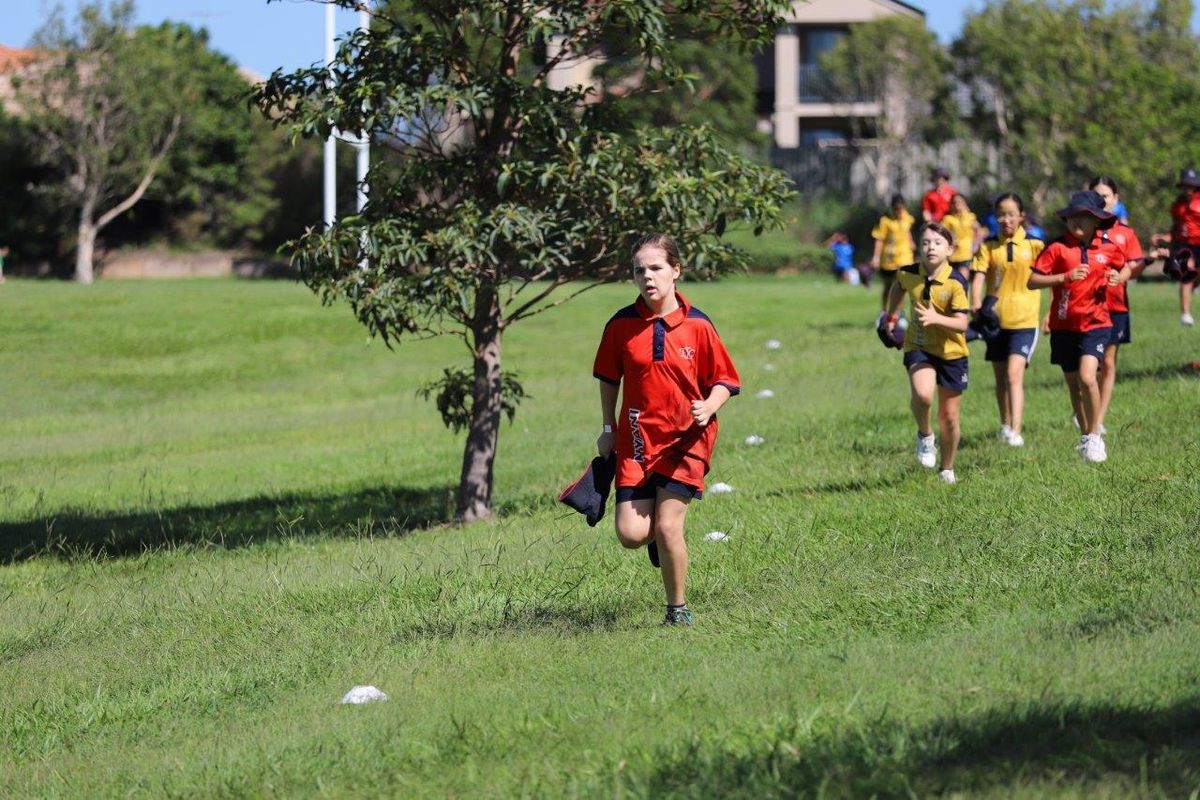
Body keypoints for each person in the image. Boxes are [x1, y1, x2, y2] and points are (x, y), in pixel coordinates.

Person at [592, 233, 741, 626]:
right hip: (638, 441)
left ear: (676, 270)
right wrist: (608, 427)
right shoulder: (621, 325)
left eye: (656, 268)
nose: (647, 276)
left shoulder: (698, 325)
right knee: (630, 534)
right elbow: (608, 378)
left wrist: (709, 406)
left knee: (668, 524)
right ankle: (658, 539)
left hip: (687, 440)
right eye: (639, 270)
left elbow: (725, 380)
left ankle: (677, 610)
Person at [1027, 190, 1125, 463]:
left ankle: (1095, 435)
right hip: (1063, 326)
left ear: (1097, 221)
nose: (1076, 221)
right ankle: (1085, 436)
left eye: (1084, 216)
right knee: (1074, 385)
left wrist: (1118, 276)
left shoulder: (1108, 248)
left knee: (1087, 377)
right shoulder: (1057, 248)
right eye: (1072, 216)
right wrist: (1064, 277)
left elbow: (1122, 267)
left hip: (1096, 323)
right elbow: (1032, 281)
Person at [881, 222, 970, 484]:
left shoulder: (956, 282)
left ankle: (947, 468)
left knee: (949, 417)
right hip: (919, 346)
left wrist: (935, 318)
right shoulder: (908, 273)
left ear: (950, 249)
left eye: (938, 243)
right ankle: (925, 435)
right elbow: (898, 286)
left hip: (952, 353)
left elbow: (962, 324)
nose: (931, 247)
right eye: (926, 242)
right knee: (922, 395)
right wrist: (891, 316)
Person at [970, 193, 1045, 446]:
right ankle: (1005, 425)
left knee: (1014, 375)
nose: (1006, 219)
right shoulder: (989, 246)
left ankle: (1016, 430)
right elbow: (979, 276)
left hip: (1025, 321)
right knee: (1001, 379)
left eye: (1011, 214)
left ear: (1021, 216)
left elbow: (1051, 274)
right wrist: (976, 303)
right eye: (1001, 214)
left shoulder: (1035, 245)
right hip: (995, 321)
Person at [1089, 176, 1145, 437]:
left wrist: (1123, 274)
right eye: (1096, 196)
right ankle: (1086, 404)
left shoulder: (1126, 233)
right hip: (1087, 305)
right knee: (1090, 362)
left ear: (1116, 198)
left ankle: (1098, 418)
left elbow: (1136, 264)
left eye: (1106, 196)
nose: (1102, 201)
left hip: (1116, 306)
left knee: (1108, 361)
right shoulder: (1084, 232)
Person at [870, 194, 916, 312]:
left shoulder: (907, 218)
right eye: (896, 209)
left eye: (901, 208)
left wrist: (911, 241)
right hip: (889, 258)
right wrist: (876, 257)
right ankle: (884, 311)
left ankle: (898, 313)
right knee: (888, 286)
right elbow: (879, 239)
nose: (898, 211)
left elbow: (907, 231)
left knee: (901, 285)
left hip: (904, 256)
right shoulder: (885, 221)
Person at [1169, 167, 1200, 325]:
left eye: (1191, 185)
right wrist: (1168, 237)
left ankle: (1191, 289)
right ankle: (1185, 315)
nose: (1188, 188)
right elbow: (1175, 226)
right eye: (1186, 185)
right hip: (1184, 245)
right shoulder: (1177, 205)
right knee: (1187, 274)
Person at [942, 194, 982, 279]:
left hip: (966, 252)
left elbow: (978, 231)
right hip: (952, 253)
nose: (957, 204)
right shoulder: (947, 219)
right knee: (952, 280)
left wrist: (976, 245)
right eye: (954, 202)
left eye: (959, 202)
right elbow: (942, 233)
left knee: (962, 279)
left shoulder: (970, 217)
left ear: (965, 203)